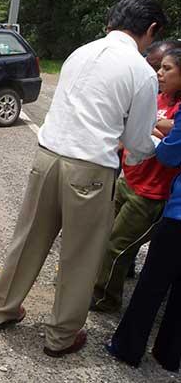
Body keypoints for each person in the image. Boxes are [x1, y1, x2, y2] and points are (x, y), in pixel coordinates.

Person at [0, 0, 168, 358]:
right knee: (80, 254)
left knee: (29, 237)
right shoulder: (141, 71)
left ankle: (3, 309)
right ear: (149, 30)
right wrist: (155, 140)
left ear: (111, 19)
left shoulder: (80, 52)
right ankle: (61, 336)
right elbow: (135, 142)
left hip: (48, 155)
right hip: (89, 167)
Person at [91, 42, 181, 313]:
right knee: (107, 237)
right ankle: (107, 281)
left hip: (151, 194)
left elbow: (169, 136)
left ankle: (106, 298)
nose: (159, 74)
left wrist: (155, 125)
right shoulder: (159, 98)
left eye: (166, 69)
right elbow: (137, 124)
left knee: (116, 246)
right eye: (158, 68)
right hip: (129, 179)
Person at [106, 110, 181, 372]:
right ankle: (168, 354)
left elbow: (170, 154)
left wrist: (161, 133)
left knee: (152, 284)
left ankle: (127, 347)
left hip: (177, 214)